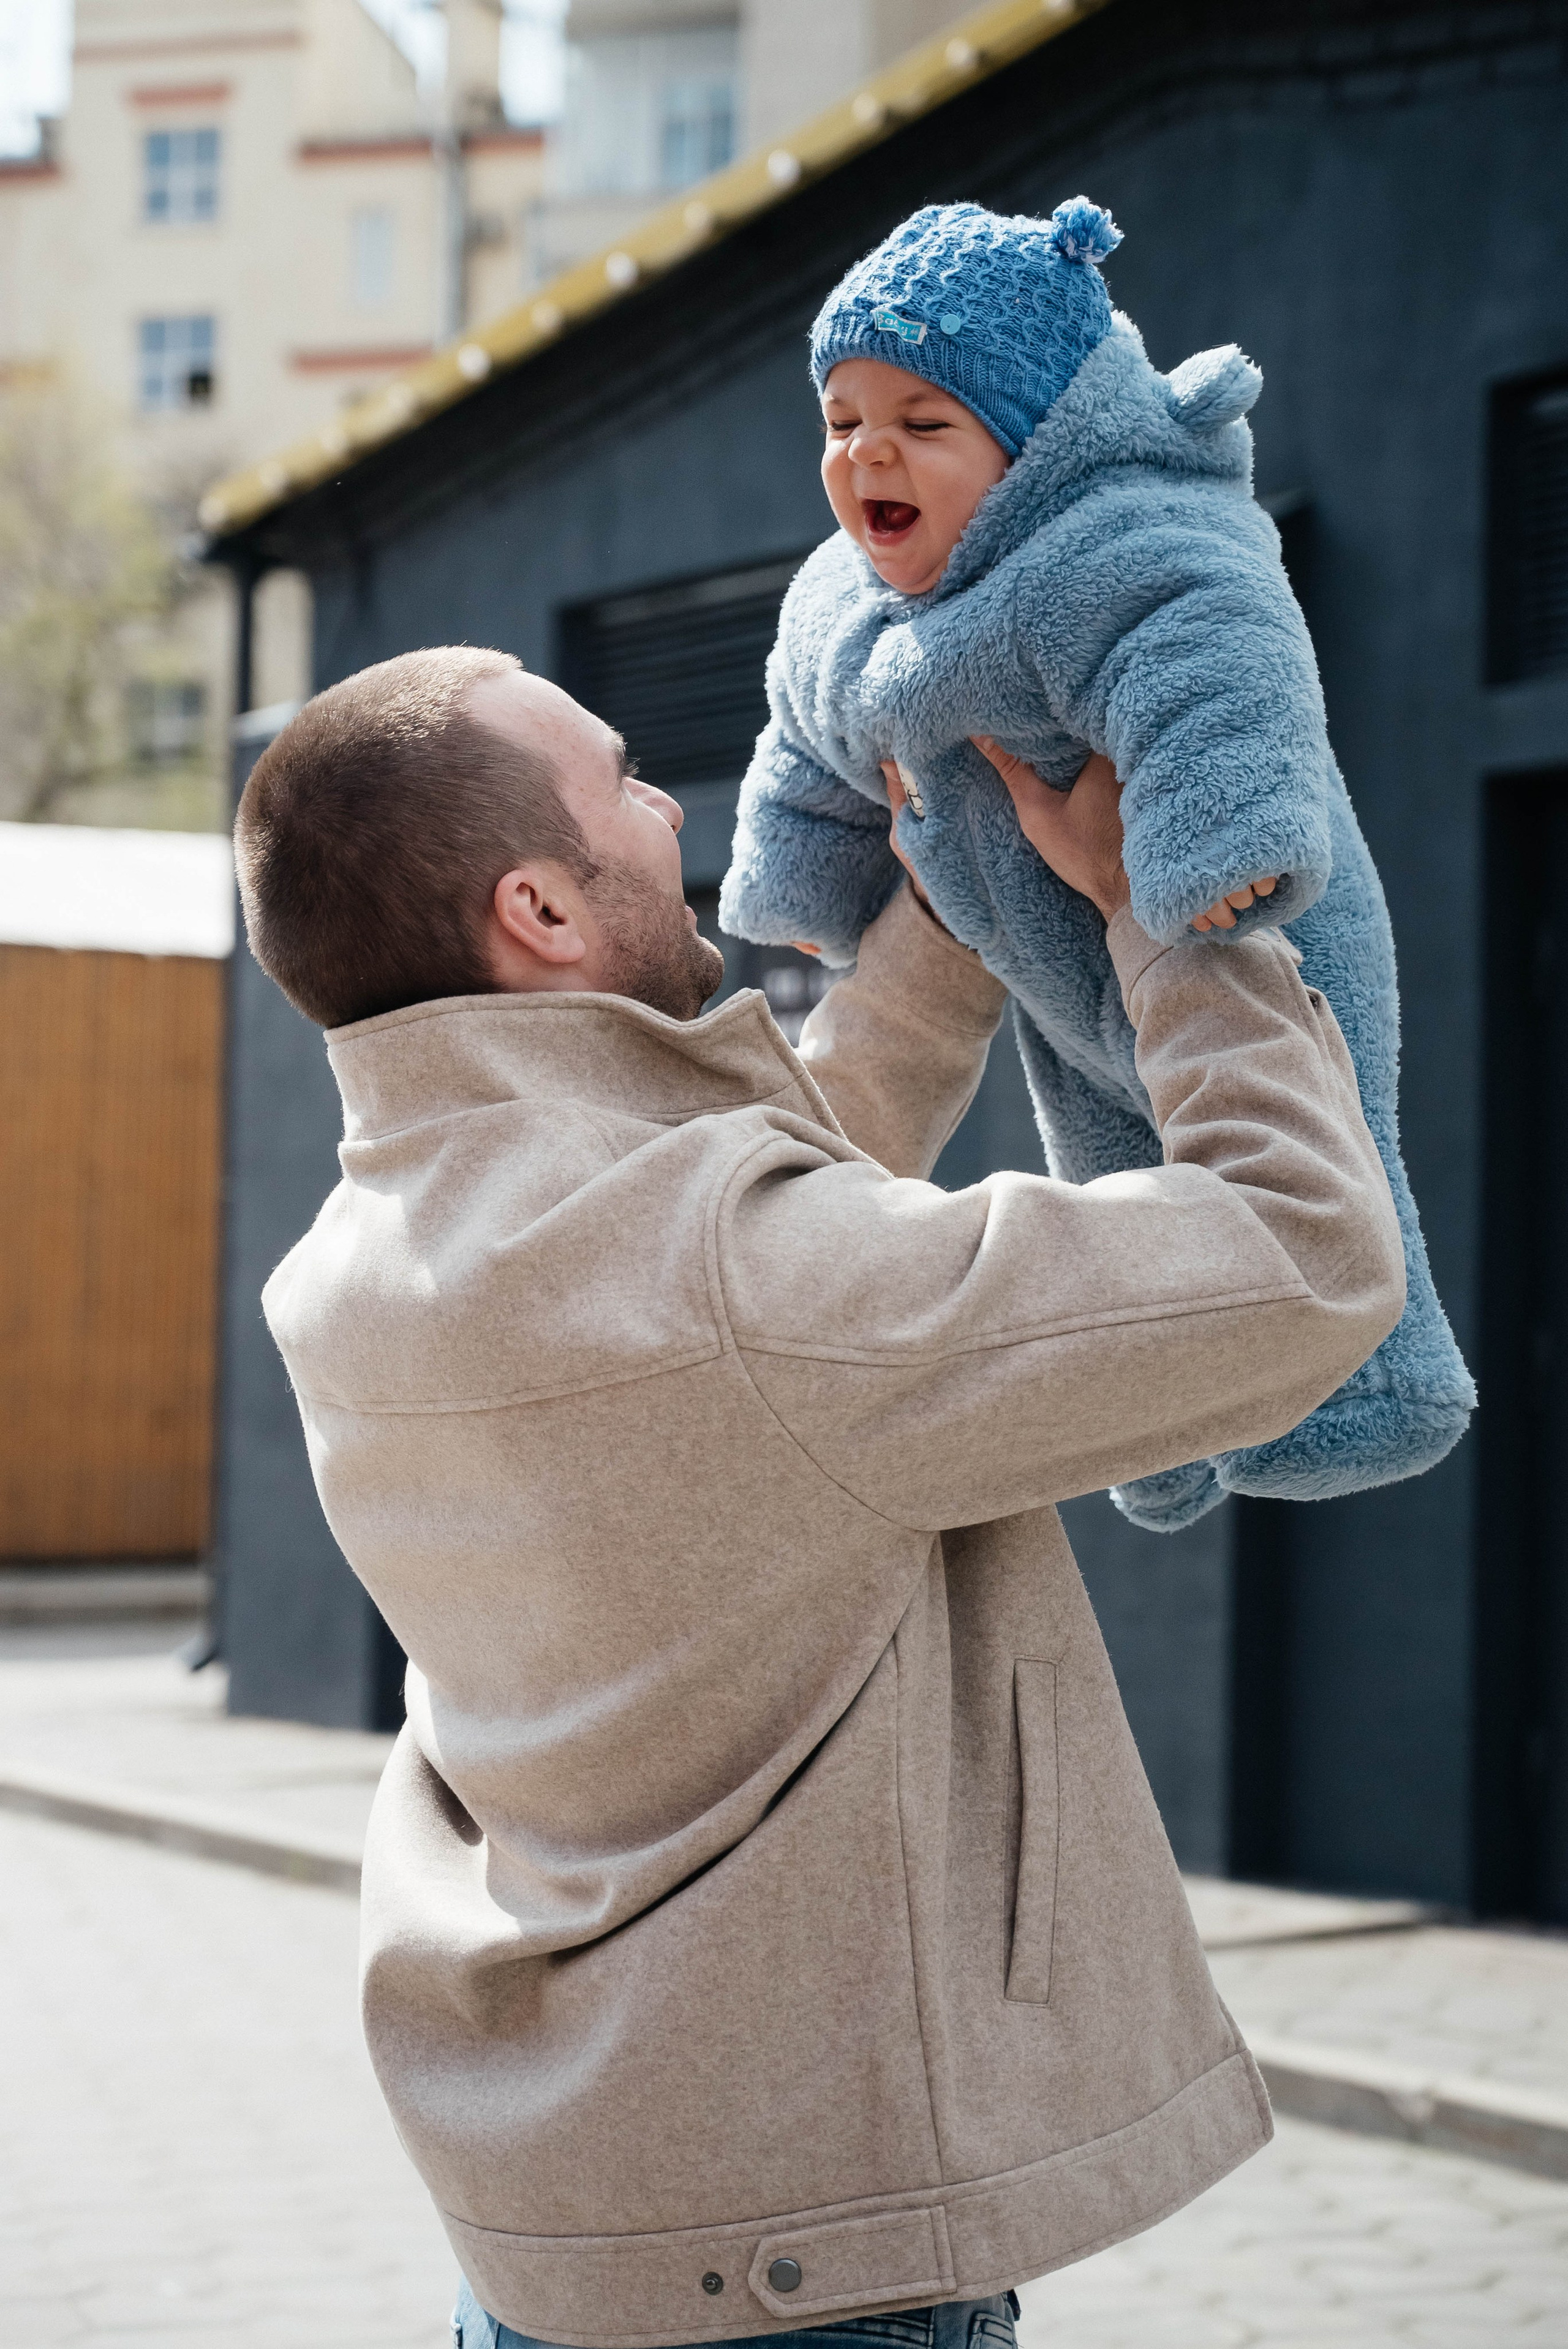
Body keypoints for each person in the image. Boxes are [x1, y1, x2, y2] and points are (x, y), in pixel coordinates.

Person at [235, 645, 1404, 2349]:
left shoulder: (362, 1265)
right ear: (541, 913)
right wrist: (1173, 907)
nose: (671, 813)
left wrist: (941, 932)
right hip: (807, 2266)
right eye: (625, 782)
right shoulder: (730, 1278)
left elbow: (754, 1259)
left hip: (558, 2233)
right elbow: (1303, 1255)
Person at [718, 197, 1472, 1534]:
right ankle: (1160, 1441)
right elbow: (803, 722)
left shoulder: (1118, 544)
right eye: (839, 421)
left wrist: (1209, 864)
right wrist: (800, 882)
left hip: (1224, 918)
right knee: (1110, 1176)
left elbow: (1220, 672)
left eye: (921, 424)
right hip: (1037, 938)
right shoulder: (840, 599)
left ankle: (1376, 1386)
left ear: (1035, 445)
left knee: (1326, 1149)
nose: (864, 455)